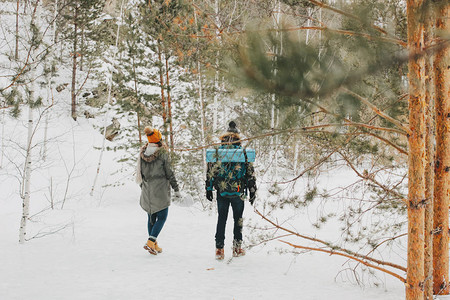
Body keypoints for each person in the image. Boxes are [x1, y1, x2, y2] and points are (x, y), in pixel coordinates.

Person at [205, 121, 257, 260]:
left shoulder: (217, 153)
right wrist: (252, 190)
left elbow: (211, 171)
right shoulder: (243, 153)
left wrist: (209, 188)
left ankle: (219, 249)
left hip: (222, 192)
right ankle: (237, 248)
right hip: (238, 192)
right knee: (238, 220)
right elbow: (250, 173)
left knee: (221, 219)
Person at [136, 126, 181, 255]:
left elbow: (140, 174)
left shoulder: (142, 153)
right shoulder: (162, 153)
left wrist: (143, 188)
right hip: (160, 190)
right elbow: (169, 173)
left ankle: (154, 245)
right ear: (159, 140)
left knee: (151, 217)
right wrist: (176, 189)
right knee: (162, 217)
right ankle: (151, 241)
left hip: (147, 190)